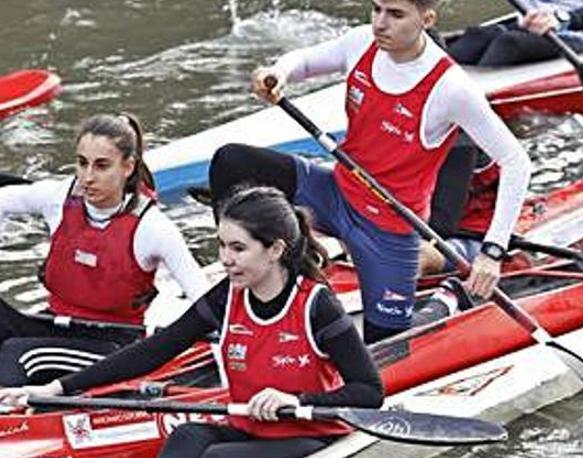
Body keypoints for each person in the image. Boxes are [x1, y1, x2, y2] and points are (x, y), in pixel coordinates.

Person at [0, 186, 384, 458]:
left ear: (276, 250)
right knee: (187, 437)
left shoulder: (318, 306)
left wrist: (296, 401)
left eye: (238, 248)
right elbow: (154, 351)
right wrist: (56, 389)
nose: (225, 259)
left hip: (310, 433)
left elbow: (369, 391)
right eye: (221, 245)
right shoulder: (226, 297)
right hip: (250, 426)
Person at [213, 0, 533, 343]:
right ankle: (269, 273)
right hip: (334, 192)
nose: (380, 23)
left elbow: (517, 162)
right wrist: (277, 73)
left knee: (386, 345)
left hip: (388, 231)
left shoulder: (452, 88)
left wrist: (492, 253)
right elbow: (303, 61)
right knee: (231, 162)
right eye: (376, 9)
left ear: (427, 19)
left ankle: (448, 298)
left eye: (395, 15)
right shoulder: (361, 42)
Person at [0, 113, 209, 387]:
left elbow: (206, 301)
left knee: (18, 354)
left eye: (101, 166)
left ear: (128, 167)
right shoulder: (59, 197)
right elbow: (0, 200)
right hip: (57, 323)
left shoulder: (152, 227)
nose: (87, 177)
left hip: (113, 344)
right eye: (82, 163)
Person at [448, 0, 583, 67]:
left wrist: (565, 19)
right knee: (476, 37)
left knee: (510, 43)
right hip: (525, 28)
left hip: (576, 36)